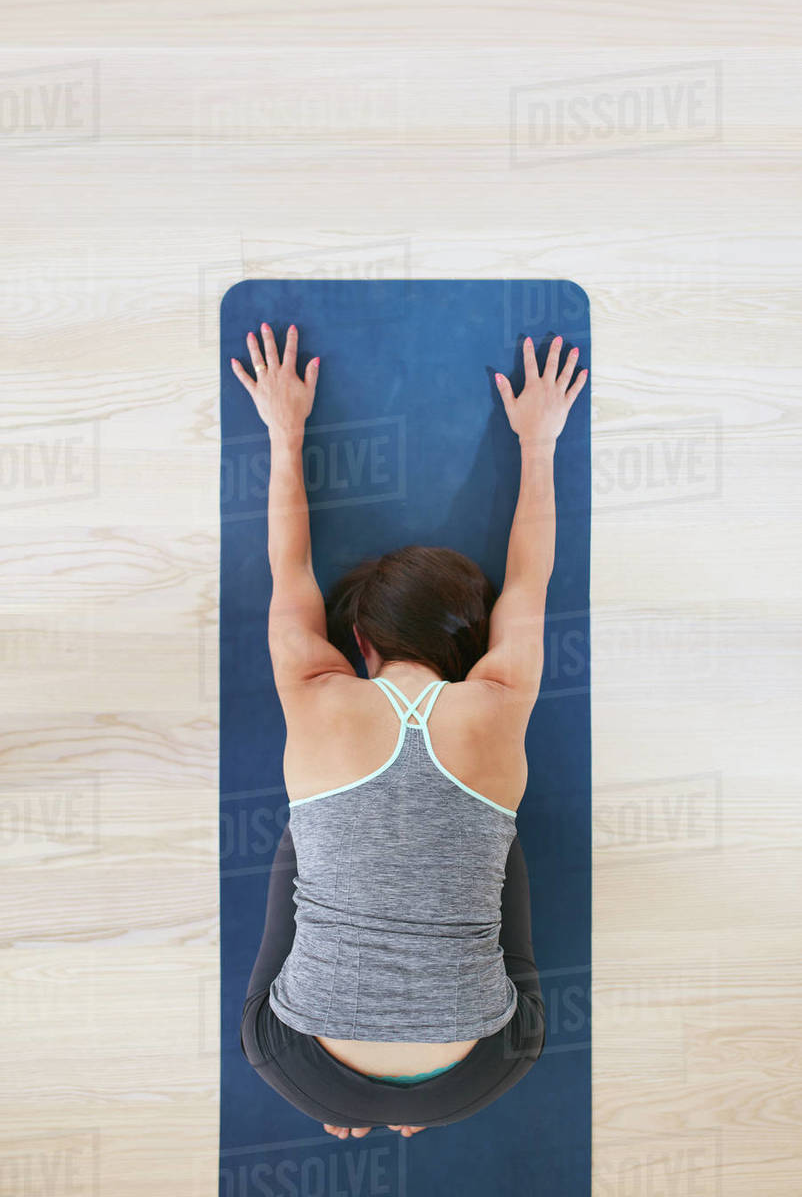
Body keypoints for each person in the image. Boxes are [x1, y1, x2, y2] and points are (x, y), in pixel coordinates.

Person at [231, 323, 587, 1136]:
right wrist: (540, 442)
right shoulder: (500, 697)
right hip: (468, 1075)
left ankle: (364, 1102)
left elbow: (289, 568)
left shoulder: (314, 690)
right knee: (492, 829)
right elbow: (531, 577)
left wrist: (285, 430)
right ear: (470, 644)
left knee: (307, 826)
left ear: (360, 640)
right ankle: (400, 1102)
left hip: (314, 1075)